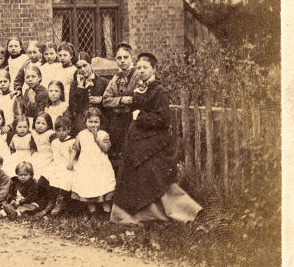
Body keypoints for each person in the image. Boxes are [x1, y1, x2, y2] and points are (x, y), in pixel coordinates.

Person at [111, 53, 203, 224]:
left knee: (153, 176)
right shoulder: (139, 88)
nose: (141, 71)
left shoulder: (159, 91)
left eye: (145, 67)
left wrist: (140, 117)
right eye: (138, 67)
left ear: (154, 69)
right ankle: (133, 215)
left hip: (155, 142)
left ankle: (183, 211)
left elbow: (163, 119)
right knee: (133, 176)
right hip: (137, 141)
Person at [102, 43, 142, 174]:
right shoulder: (115, 78)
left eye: (126, 57)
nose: (122, 60)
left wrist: (123, 102)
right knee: (117, 155)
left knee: (131, 154)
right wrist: (121, 100)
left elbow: (137, 98)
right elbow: (106, 100)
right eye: (119, 58)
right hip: (117, 123)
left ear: (132, 58)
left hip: (132, 121)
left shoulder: (138, 75)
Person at [68, 107, 116, 215]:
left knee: (102, 185)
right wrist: (70, 161)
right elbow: (75, 148)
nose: (93, 124)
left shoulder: (103, 134)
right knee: (88, 184)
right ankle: (92, 210)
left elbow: (106, 148)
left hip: (100, 164)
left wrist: (97, 138)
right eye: (90, 122)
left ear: (100, 122)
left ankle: (106, 209)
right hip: (86, 164)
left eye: (96, 122)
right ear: (85, 122)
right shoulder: (81, 134)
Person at [69, 51, 108, 133]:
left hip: (100, 120)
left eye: (85, 65)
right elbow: (74, 107)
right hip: (82, 121)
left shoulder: (104, 82)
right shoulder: (74, 84)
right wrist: (79, 87)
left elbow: (109, 102)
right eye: (79, 67)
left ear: (90, 64)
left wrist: (101, 100)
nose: (82, 69)